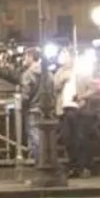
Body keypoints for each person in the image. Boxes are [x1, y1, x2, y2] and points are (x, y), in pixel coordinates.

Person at [19, 53, 65, 187]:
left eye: (25, 57)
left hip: (33, 111)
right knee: (47, 141)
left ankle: (42, 170)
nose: (23, 60)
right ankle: (52, 169)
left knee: (36, 142)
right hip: (47, 112)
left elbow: (25, 95)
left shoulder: (28, 74)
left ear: (31, 57)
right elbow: (54, 90)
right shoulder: (49, 74)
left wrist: (21, 103)